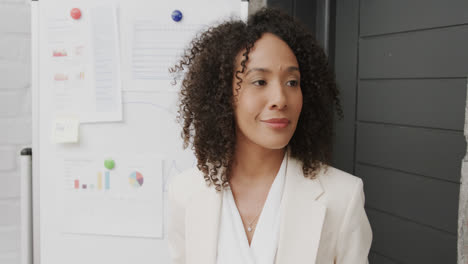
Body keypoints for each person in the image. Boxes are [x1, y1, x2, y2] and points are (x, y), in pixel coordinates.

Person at [168, 7, 372, 264]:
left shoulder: (342, 196)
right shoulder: (185, 192)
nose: (280, 99)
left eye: (292, 82)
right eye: (260, 82)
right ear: (223, 95)